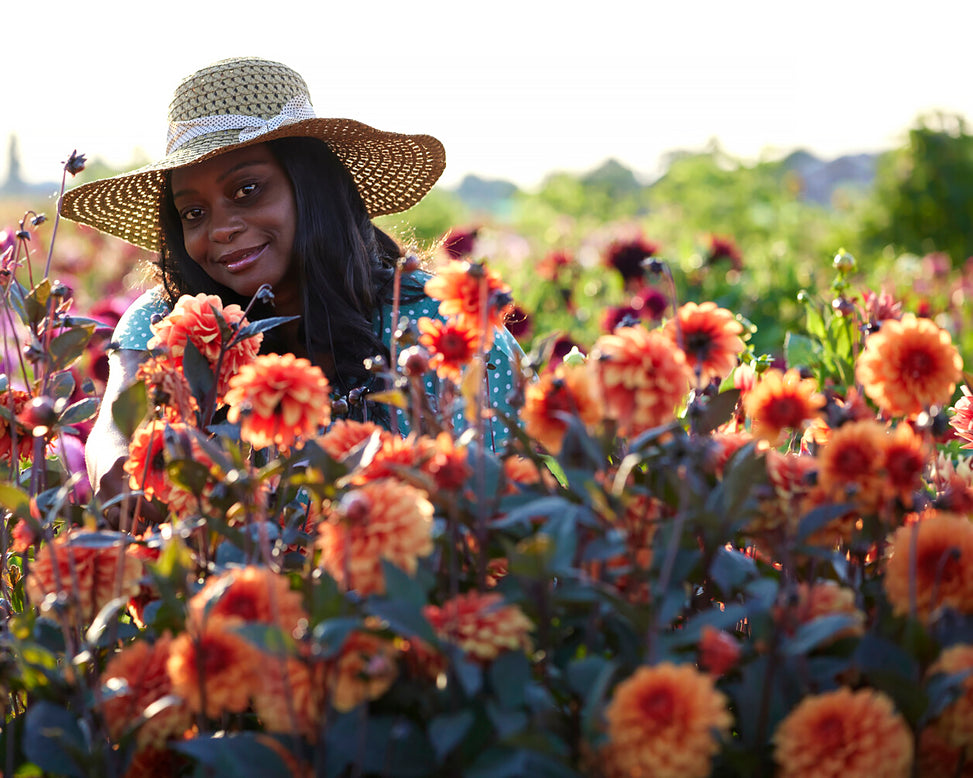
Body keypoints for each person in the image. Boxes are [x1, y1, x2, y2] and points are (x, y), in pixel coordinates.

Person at [59, 56, 524, 526]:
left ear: (313, 187)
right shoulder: (169, 318)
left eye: (247, 190)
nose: (220, 228)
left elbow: (506, 521)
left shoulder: (441, 327)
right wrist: (118, 462)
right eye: (194, 213)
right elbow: (115, 424)